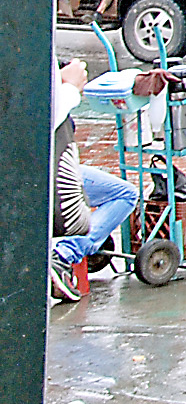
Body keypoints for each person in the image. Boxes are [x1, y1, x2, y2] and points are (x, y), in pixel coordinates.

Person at [50, 58, 139, 302]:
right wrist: (67, 87)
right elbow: (40, 121)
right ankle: (64, 253)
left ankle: (65, 251)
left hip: (59, 163)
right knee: (126, 194)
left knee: (122, 192)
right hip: (50, 167)